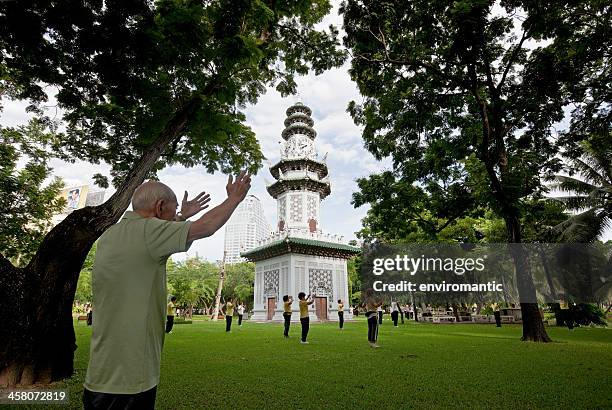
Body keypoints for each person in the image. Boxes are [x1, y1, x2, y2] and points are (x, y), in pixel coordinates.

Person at [83, 172, 251, 409]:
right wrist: (234, 198)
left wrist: (180, 216)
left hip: (99, 377)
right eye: (171, 211)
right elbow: (207, 227)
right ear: (159, 207)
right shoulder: (149, 232)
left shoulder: (111, 235)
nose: (173, 217)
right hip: (130, 381)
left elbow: (159, 231)